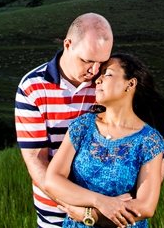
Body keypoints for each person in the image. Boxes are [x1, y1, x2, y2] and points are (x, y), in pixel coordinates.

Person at [44, 54, 164, 228]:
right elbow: (52, 180)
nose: (98, 80)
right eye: (99, 75)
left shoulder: (149, 141)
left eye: (108, 74)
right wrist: (100, 202)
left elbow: (146, 207)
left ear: (130, 83)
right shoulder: (83, 126)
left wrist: (90, 215)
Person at [15, 13, 114, 228]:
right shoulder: (32, 87)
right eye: (87, 60)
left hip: (110, 211)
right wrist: (73, 207)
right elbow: (36, 159)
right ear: (68, 45)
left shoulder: (110, 82)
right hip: (55, 214)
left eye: (102, 62)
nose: (95, 71)